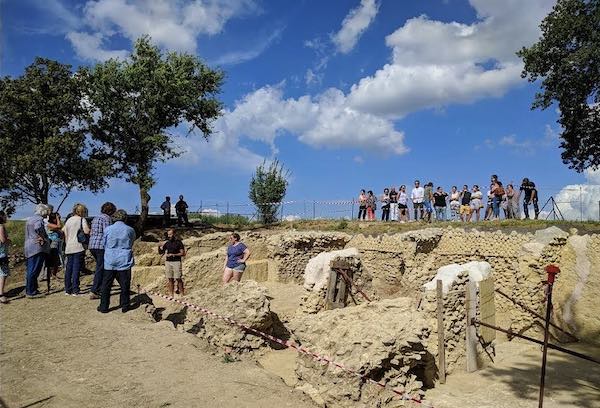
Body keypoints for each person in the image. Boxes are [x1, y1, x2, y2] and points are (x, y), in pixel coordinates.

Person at [98, 210, 136, 313]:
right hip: (124, 259)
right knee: (124, 284)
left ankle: (104, 306)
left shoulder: (108, 229)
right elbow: (132, 241)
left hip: (110, 259)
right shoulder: (130, 230)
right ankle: (125, 305)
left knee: (106, 285)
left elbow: (104, 243)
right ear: (125, 218)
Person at [88, 202, 116, 299]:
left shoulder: (96, 217)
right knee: (101, 268)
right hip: (101, 245)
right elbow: (108, 232)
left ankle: (98, 288)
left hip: (92, 244)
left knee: (99, 267)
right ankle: (95, 290)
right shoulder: (107, 219)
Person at [62, 204, 90, 296]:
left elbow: (64, 232)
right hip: (78, 246)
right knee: (76, 268)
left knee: (69, 268)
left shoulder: (69, 220)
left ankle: (67, 289)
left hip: (69, 246)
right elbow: (86, 231)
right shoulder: (82, 220)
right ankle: (75, 289)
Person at [24, 204, 51, 298]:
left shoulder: (30, 219)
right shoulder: (38, 220)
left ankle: (31, 289)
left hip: (29, 246)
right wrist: (42, 237)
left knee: (30, 269)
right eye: (47, 211)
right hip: (37, 247)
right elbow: (38, 227)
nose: (48, 213)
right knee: (34, 270)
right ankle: (31, 291)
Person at [158, 228, 186, 297]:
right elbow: (161, 252)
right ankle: (171, 294)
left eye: (170, 234)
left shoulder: (179, 242)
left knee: (178, 278)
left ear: (174, 234)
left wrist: (173, 255)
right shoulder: (167, 243)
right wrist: (158, 246)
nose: (169, 236)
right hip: (168, 262)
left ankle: (182, 294)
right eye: (168, 234)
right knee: (170, 278)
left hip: (176, 262)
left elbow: (183, 253)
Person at [41, 210, 62, 282]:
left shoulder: (52, 225)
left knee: (56, 260)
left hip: (56, 243)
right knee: (53, 259)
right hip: (52, 244)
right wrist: (58, 218)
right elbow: (59, 226)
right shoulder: (48, 224)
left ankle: (54, 274)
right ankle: (50, 274)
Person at [0, 211, 11, 303]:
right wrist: (9, 240)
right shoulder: (1, 227)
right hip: (1, 254)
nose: (6, 217)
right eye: (5, 216)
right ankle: (1, 294)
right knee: (3, 274)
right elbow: (3, 240)